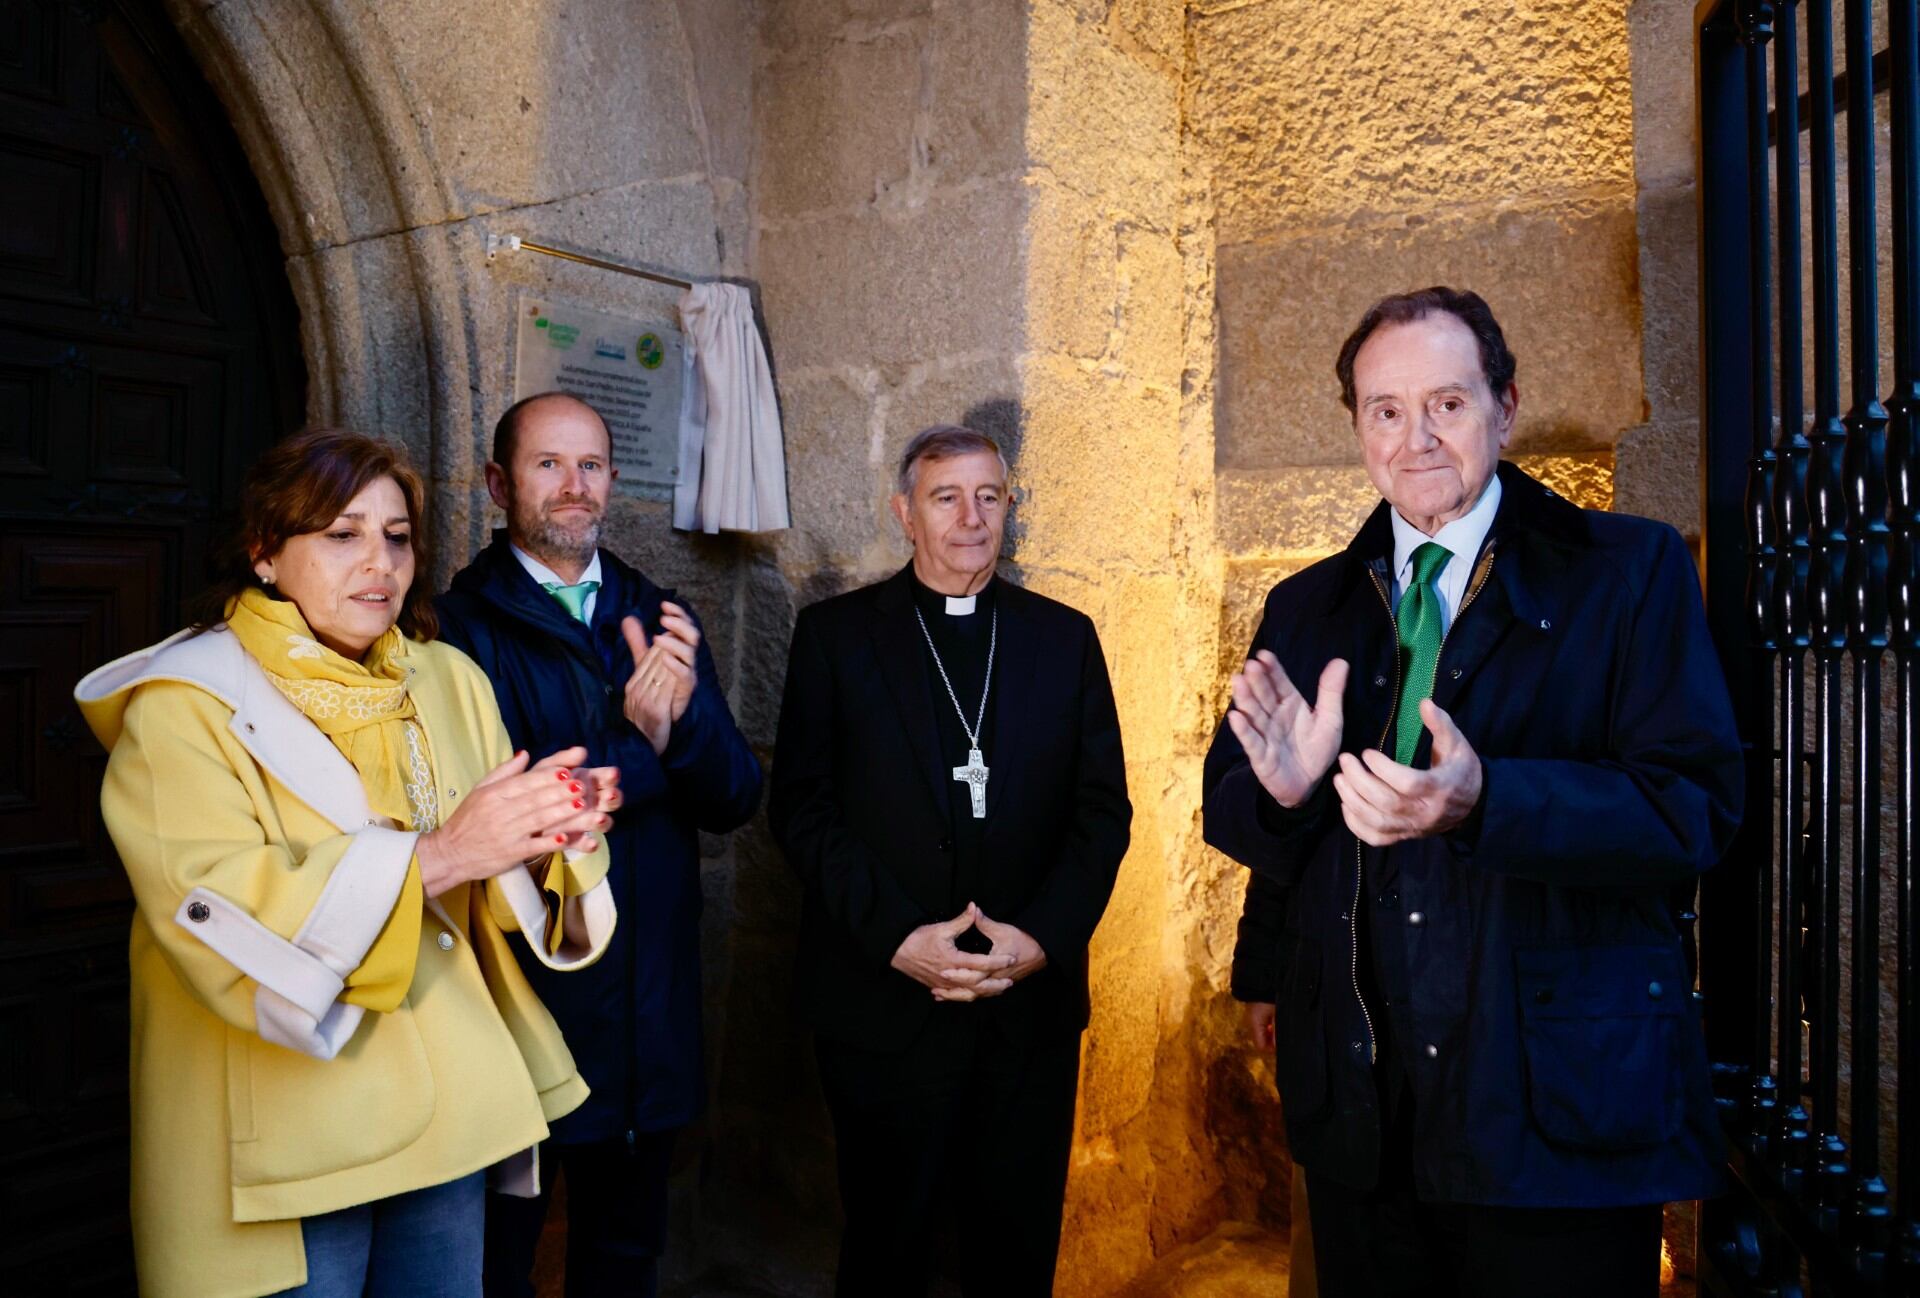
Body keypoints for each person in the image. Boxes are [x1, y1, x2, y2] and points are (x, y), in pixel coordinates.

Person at [1201, 286, 1743, 1298]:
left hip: (1553, 1103)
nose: (1417, 438)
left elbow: (1692, 807)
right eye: (1386, 410)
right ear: (1357, 425)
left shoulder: (1629, 572)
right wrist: (1287, 796)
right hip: (1366, 1111)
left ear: (1505, 405)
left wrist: (1487, 799)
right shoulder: (1306, 602)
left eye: (1447, 403)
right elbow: (1234, 816)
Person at [74, 428, 621, 1298]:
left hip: (449, 1110)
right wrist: (444, 853)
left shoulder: (447, 678)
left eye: (397, 535)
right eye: (341, 534)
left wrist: (554, 833)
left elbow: (496, 892)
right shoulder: (183, 704)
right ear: (263, 551)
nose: (380, 562)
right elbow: (216, 911)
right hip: (286, 1132)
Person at [769, 423, 1132, 1298]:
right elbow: (802, 811)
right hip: (882, 1005)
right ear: (905, 513)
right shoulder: (836, 636)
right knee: (891, 1246)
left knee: (1014, 1250)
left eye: (989, 496)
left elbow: (1102, 814)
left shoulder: (1064, 639)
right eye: (946, 497)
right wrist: (899, 937)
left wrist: (1039, 939)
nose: (972, 517)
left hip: (1026, 1010)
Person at [434, 392, 762, 1298]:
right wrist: (645, 738)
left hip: (648, 1011)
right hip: (525, 1011)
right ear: (500, 483)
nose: (574, 488)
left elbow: (735, 795)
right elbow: (512, 816)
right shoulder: (454, 633)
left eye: (591, 466)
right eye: (548, 465)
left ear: (614, 479)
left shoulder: (658, 612)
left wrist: (684, 724)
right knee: (498, 1266)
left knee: (623, 1264)